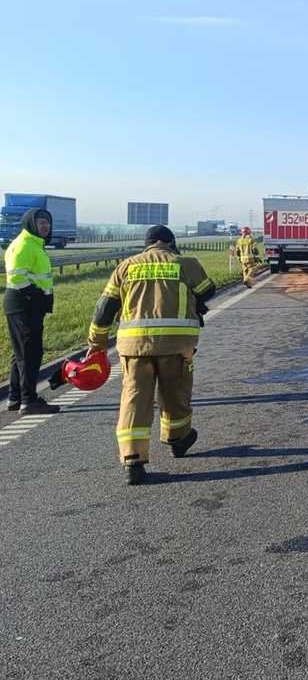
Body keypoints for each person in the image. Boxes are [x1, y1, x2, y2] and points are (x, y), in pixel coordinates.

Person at [87, 226, 216, 485]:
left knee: (134, 399)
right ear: (171, 243)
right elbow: (208, 291)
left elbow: (104, 309)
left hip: (135, 348)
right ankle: (177, 439)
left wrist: (96, 342)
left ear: (147, 244)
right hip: (175, 345)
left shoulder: (125, 267)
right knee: (175, 393)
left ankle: (132, 459)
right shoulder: (185, 263)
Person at [4, 208, 60, 414]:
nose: (45, 226)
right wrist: (37, 297)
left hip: (26, 304)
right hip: (23, 303)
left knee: (20, 352)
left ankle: (15, 397)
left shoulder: (34, 243)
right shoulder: (24, 245)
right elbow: (17, 277)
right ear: (30, 223)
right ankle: (29, 401)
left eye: (47, 222)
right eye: (41, 222)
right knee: (30, 353)